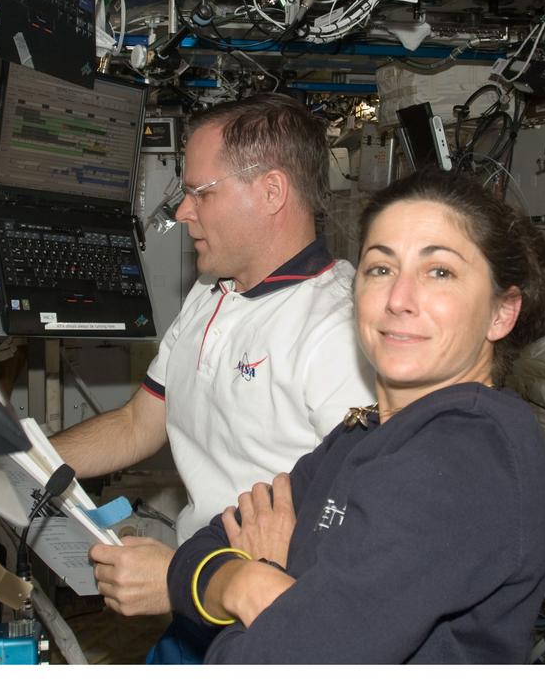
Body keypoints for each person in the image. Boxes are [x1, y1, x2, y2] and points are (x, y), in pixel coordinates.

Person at [165, 168, 545, 663]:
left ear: (502, 312)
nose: (399, 299)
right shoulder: (366, 430)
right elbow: (198, 551)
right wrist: (247, 581)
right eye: (380, 268)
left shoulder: (464, 458)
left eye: (439, 272)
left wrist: (262, 572)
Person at [50, 94, 374, 653]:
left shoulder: (340, 331)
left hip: (268, 621)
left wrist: (194, 579)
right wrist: (12, 460)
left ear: (271, 192)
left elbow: (363, 529)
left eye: (201, 193)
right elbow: (137, 424)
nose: (182, 213)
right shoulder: (211, 290)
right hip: (194, 603)